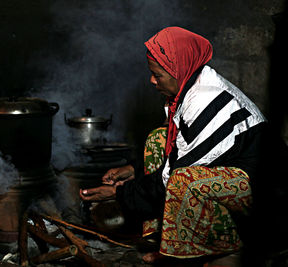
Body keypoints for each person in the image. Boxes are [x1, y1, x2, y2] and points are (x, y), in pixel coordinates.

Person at [80, 26, 288, 265]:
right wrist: (133, 169)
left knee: (182, 181)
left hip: (268, 188)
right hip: (233, 167)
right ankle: (162, 236)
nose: (151, 80)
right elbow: (175, 148)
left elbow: (172, 175)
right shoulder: (188, 89)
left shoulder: (205, 103)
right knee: (157, 139)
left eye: (157, 74)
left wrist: (119, 193)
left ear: (178, 70)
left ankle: (184, 253)